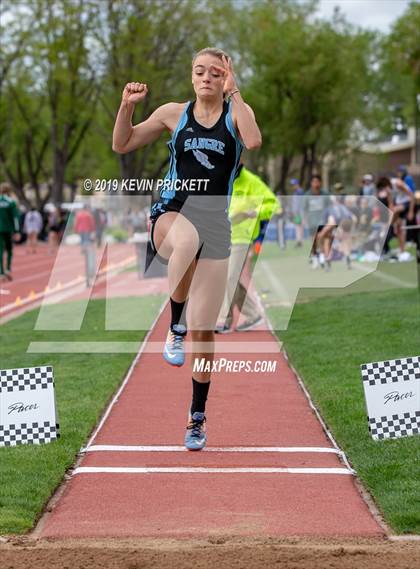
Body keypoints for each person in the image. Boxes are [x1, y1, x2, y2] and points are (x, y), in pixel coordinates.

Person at [112, 47, 261, 450]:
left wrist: (237, 93)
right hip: (171, 213)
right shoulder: (172, 114)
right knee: (186, 239)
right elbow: (122, 144)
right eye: (200, 71)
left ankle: (197, 418)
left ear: (225, 77)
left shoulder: (234, 114)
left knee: (205, 330)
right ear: (191, 76)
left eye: (215, 73)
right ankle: (173, 325)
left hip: (215, 222)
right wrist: (126, 106)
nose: (207, 78)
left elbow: (253, 139)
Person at [215, 163, 280, 333]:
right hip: (222, 236)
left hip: (242, 236)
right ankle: (242, 318)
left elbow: (273, 205)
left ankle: (228, 318)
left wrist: (253, 212)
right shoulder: (221, 178)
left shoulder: (251, 181)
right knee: (226, 278)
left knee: (230, 277)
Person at [303, 174, 330, 268]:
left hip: (323, 221)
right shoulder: (307, 195)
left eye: (317, 181)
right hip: (312, 222)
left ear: (320, 183)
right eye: (314, 182)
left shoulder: (325, 194)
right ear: (311, 183)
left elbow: (329, 207)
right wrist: (305, 220)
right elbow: (304, 209)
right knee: (313, 241)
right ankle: (315, 258)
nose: (316, 184)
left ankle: (322, 258)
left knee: (322, 240)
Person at [0, 183, 20, 281]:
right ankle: (7, 268)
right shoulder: (11, 202)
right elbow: (15, 217)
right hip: (8, 229)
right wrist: (17, 231)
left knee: (0, 251)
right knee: (9, 250)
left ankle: (1, 272)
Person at [290, 178, 304, 247]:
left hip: (299, 212)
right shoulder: (295, 192)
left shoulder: (299, 192)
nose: (292, 186)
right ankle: (299, 241)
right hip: (297, 212)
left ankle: (299, 241)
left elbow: (301, 202)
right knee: (298, 226)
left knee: (299, 226)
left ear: (297, 184)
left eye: (294, 184)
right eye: (292, 185)